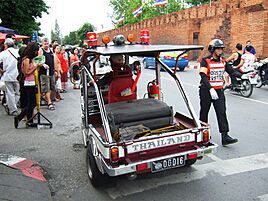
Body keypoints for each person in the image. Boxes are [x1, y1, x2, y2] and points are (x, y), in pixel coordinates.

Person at [199, 39, 238, 146]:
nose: (220, 50)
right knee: (204, 112)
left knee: (221, 112)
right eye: (218, 48)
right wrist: (210, 89)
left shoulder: (223, 61)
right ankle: (203, 135)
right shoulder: (205, 61)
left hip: (219, 91)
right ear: (212, 49)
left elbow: (231, 71)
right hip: (206, 91)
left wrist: (242, 75)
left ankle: (225, 136)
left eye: (221, 48)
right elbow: (203, 76)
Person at [14, 42, 44, 128]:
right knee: (32, 103)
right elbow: (26, 72)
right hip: (28, 83)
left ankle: (26, 119)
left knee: (33, 102)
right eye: (35, 51)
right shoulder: (26, 60)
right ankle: (23, 118)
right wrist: (35, 66)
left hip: (32, 82)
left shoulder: (30, 59)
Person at [0, 38, 20, 116]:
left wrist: (1, 70)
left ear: (6, 45)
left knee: (10, 93)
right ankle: (13, 106)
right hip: (17, 75)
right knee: (18, 93)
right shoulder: (18, 51)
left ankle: (12, 109)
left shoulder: (3, 53)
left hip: (7, 75)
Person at [40, 38, 56, 110]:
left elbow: (53, 60)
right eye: (45, 44)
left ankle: (49, 99)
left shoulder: (51, 50)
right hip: (44, 72)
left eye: (47, 44)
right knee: (46, 88)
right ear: (42, 44)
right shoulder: (41, 50)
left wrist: (55, 69)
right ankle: (49, 102)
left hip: (51, 71)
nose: (46, 45)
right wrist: (43, 64)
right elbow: (38, 60)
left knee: (53, 86)